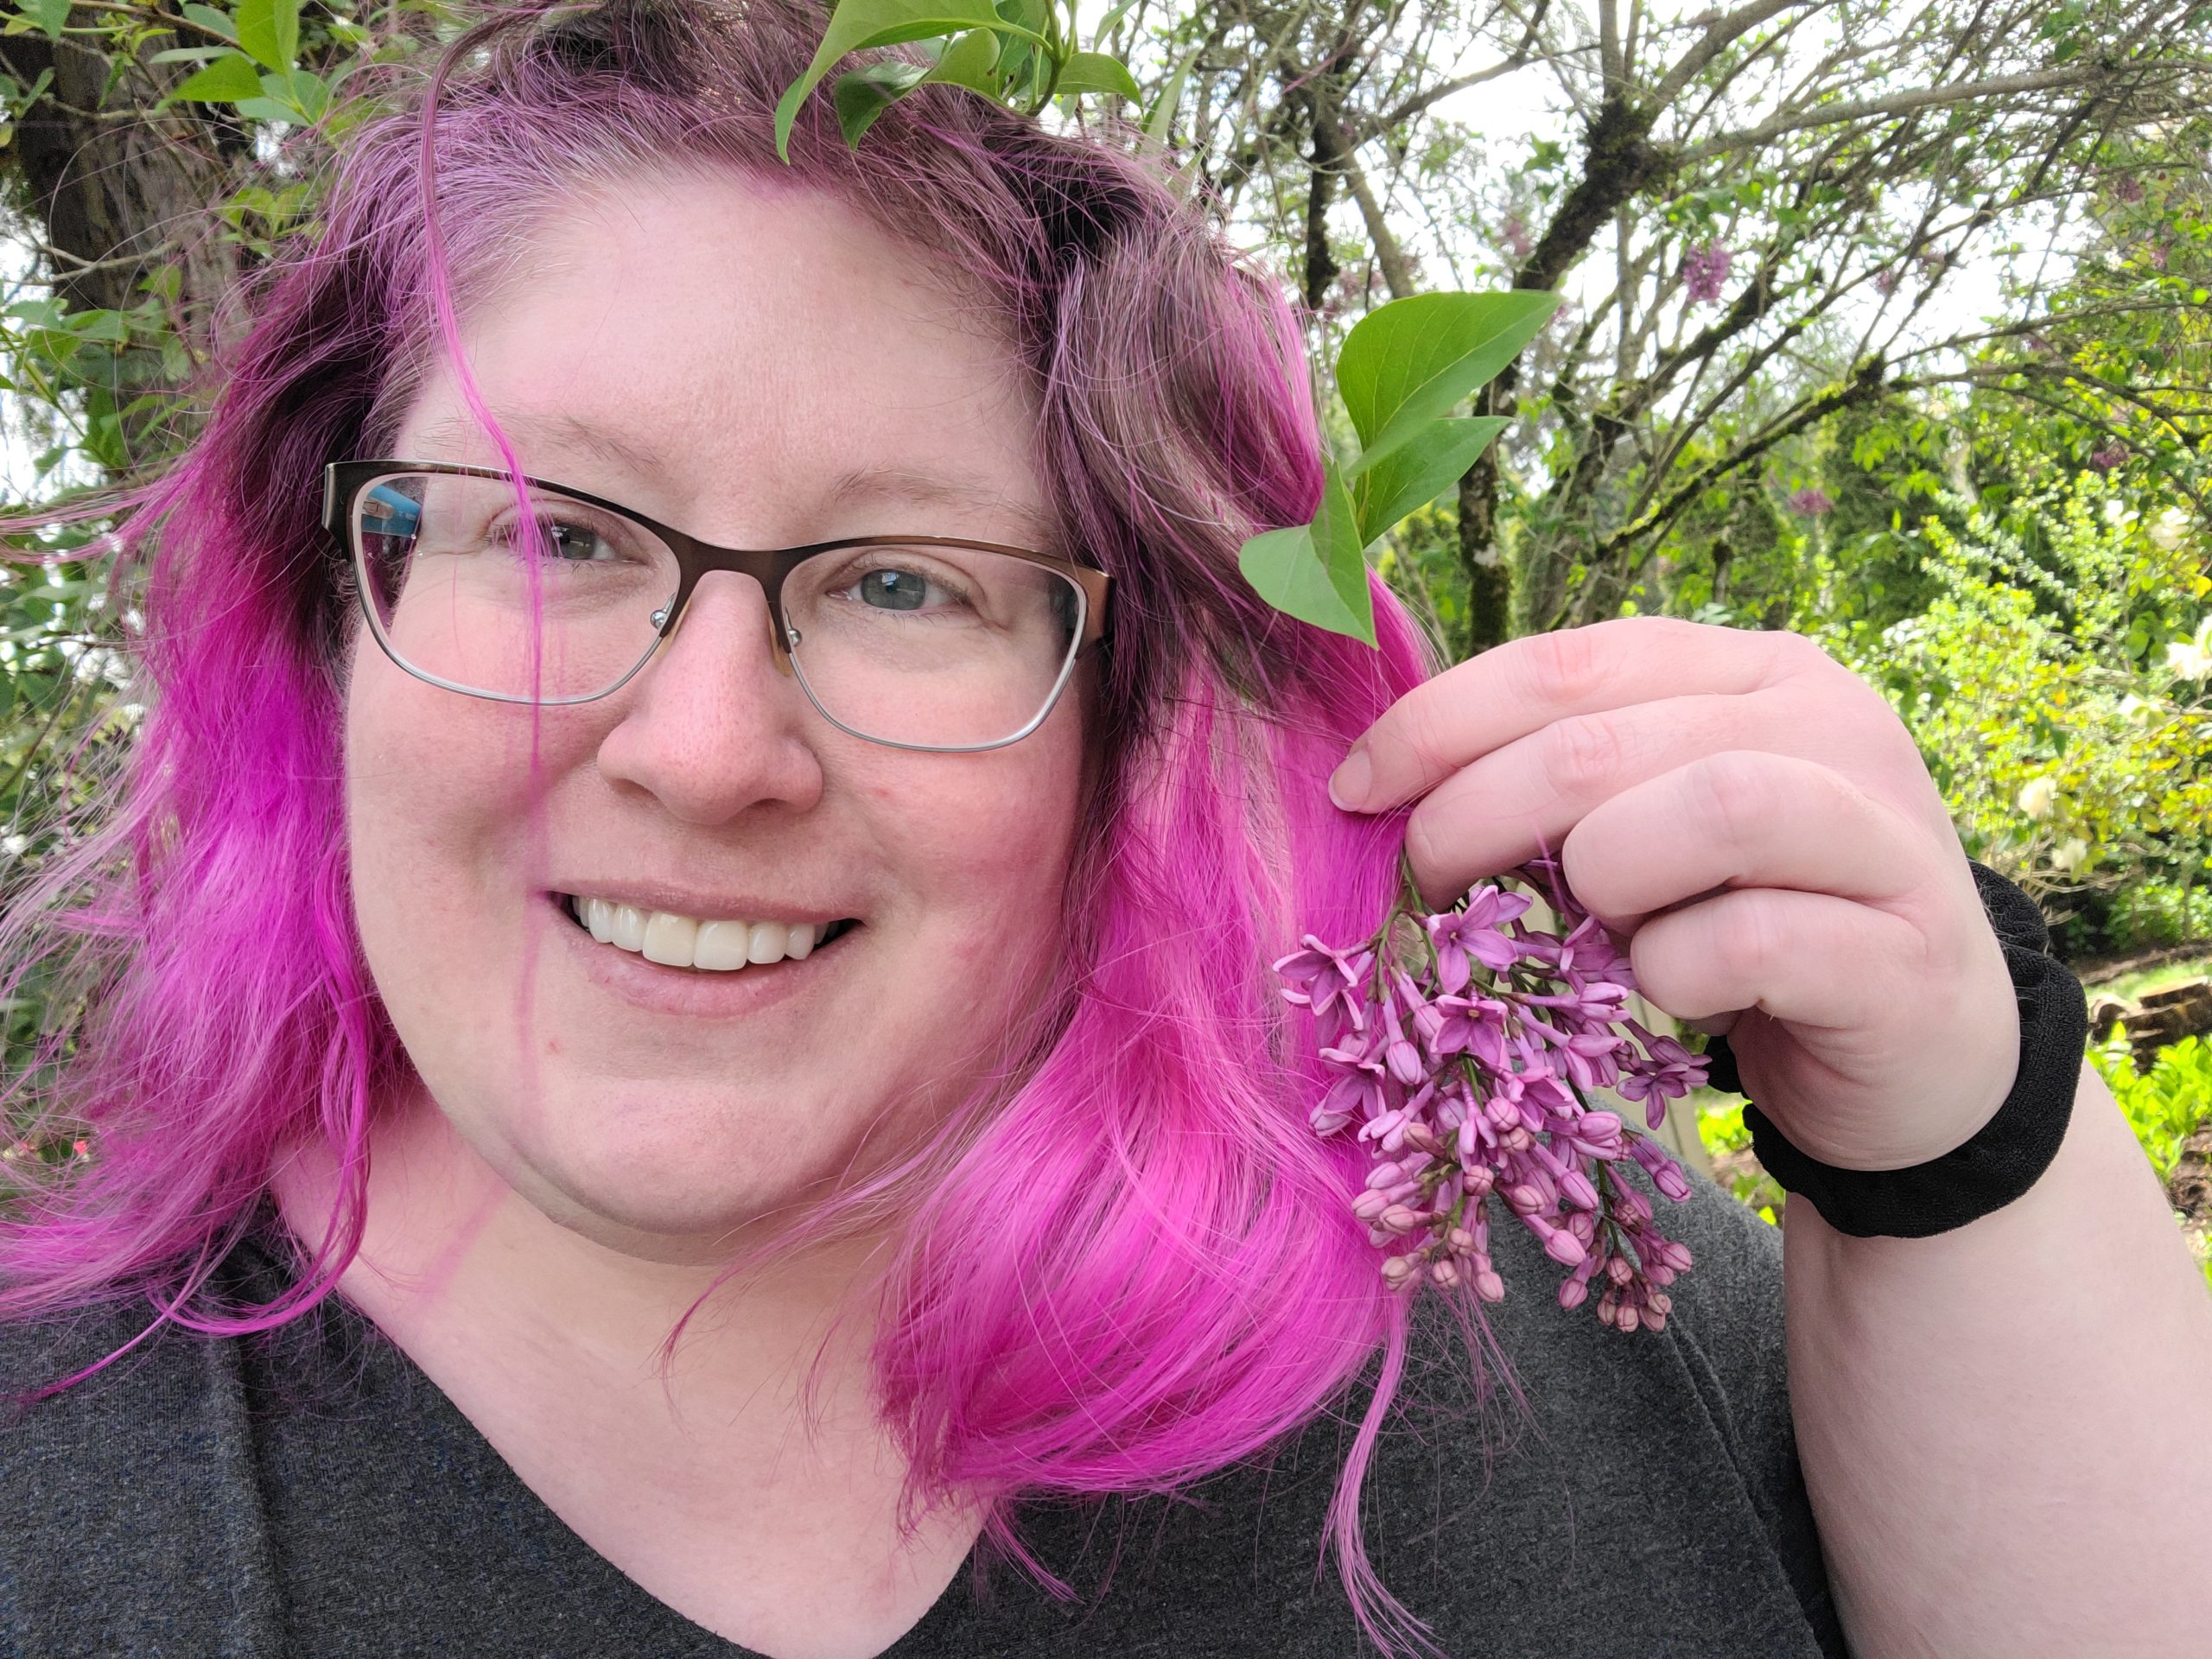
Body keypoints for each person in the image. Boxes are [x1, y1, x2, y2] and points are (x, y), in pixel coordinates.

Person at [2, 3, 2207, 1656]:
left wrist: (1953, 1130)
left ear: (1131, 720)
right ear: (335, 620)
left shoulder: (1524, 1296)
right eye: (550, 535)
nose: (698, 750)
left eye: (904, 585)